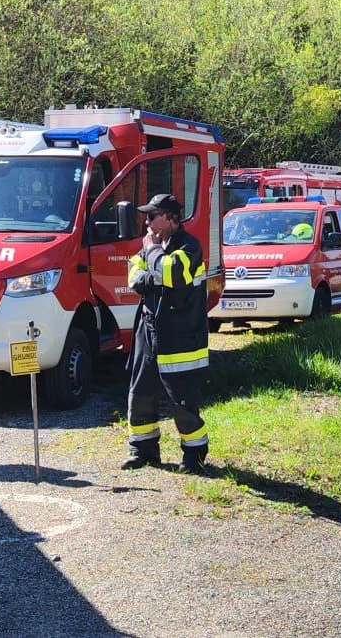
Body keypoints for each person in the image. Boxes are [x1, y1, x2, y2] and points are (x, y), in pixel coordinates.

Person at [123, 193, 211, 474]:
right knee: (140, 393)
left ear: (171, 218)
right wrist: (152, 272)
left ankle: (194, 454)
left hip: (181, 336)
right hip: (149, 330)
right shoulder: (150, 247)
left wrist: (151, 255)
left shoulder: (190, 246)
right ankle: (143, 449)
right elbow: (134, 276)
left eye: (152, 216)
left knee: (182, 399)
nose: (146, 222)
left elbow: (172, 274)